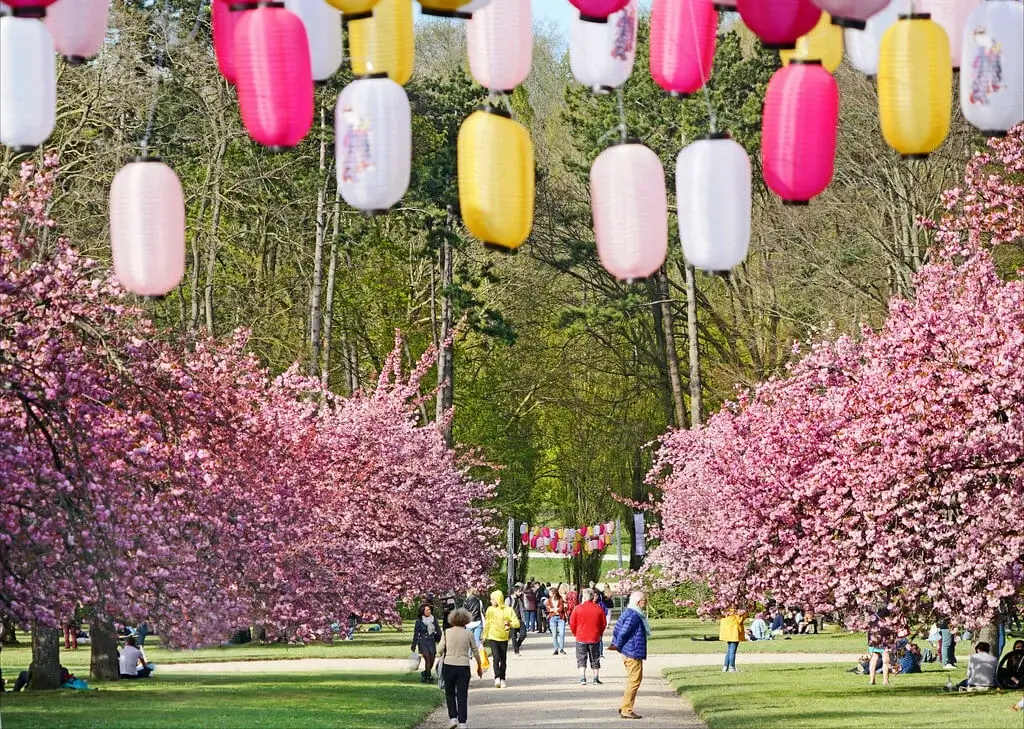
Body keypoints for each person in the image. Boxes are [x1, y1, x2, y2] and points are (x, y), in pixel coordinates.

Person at [438, 607, 483, 729]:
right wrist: (479, 666)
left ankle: (453, 718)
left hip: (449, 665)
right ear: (466, 620)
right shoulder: (468, 634)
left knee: (450, 693)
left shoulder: (447, 632)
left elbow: (440, 650)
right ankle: (463, 722)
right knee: (462, 694)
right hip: (463, 666)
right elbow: (475, 651)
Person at [612, 591, 651, 721]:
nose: (645, 602)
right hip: (632, 651)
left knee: (633, 680)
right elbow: (622, 633)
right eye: (644, 600)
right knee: (634, 680)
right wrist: (618, 646)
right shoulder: (634, 616)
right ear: (638, 602)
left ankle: (625, 705)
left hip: (629, 650)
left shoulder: (629, 613)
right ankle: (626, 709)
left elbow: (617, 629)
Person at [569, 588, 606, 687]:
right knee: (595, 658)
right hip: (594, 637)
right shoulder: (598, 608)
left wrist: (575, 633)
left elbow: (572, 623)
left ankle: (582, 678)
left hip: (581, 637)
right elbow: (603, 623)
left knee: (581, 658)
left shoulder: (577, 608)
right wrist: (599, 633)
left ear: (584, 597)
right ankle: (596, 678)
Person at [482, 589, 519, 688]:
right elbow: (487, 624)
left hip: (503, 638)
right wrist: (484, 636)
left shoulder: (508, 610)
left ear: (498, 599)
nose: (491, 601)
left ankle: (503, 678)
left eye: (493, 599)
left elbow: (517, 623)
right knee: (496, 657)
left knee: (503, 659)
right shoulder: (490, 610)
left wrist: (509, 623)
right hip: (492, 636)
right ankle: (497, 677)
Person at [411, 604, 442, 683]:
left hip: (431, 641)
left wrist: (442, 639)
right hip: (423, 641)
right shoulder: (419, 621)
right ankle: (429, 676)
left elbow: (438, 630)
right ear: (423, 612)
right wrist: (414, 645)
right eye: (427, 610)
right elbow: (416, 633)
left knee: (432, 660)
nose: (429, 611)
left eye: (429, 610)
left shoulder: (433, 619)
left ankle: (425, 673)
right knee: (427, 659)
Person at [866, 608, 895, 686]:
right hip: (884, 642)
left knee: (874, 659)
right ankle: (885, 680)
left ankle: (872, 679)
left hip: (873, 641)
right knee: (886, 661)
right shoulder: (886, 622)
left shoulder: (873, 620)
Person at [719, 608, 747, 672]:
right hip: (735, 634)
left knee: (729, 650)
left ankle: (725, 666)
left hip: (728, 634)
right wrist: (744, 613)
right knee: (732, 651)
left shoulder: (725, 615)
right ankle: (732, 667)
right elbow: (740, 620)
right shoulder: (736, 616)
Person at [546, 586, 568, 655]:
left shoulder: (560, 599)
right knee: (554, 634)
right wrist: (555, 610)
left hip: (561, 618)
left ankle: (561, 649)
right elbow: (548, 609)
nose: (549, 594)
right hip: (553, 618)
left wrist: (553, 610)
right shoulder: (549, 600)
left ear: (554, 593)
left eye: (550, 593)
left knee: (562, 634)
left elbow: (561, 609)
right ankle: (556, 649)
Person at [507, 584, 528, 655]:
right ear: (515, 592)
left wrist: (523, 597)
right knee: (514, 636)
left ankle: (517, 645)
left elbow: (524, 607)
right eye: (519, 591)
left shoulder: (520, 599)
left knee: (523, 634)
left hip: (520, 620)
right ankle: (516, 651)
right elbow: (506, 610)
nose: (521, 592)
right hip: (512, 620)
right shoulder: (508, 600)